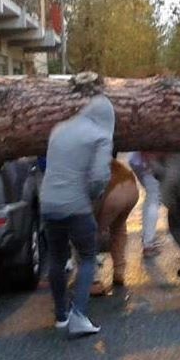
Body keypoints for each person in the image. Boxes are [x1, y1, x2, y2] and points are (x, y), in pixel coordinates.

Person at [40, 95, 114, 338]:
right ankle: (79, 315)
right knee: (88, 256)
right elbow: (99, 176)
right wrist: (93, 196)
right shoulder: (101, 136)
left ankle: (60, 316)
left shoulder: (59, 129)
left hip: (49, 203)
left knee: (57, 258)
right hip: (76, 205)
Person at [90, 158, 139, 296]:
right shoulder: (103, 155)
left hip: (113, 192)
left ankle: (93, 279)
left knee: (92, 233)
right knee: (119, 229)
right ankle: (119, 271)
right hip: (131, 187)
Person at [128, 151, 163, 258]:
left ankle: (147, 239)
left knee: (151, 198)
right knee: (154, 199)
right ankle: (148, 244)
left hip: (138, 160)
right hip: (149, 161)